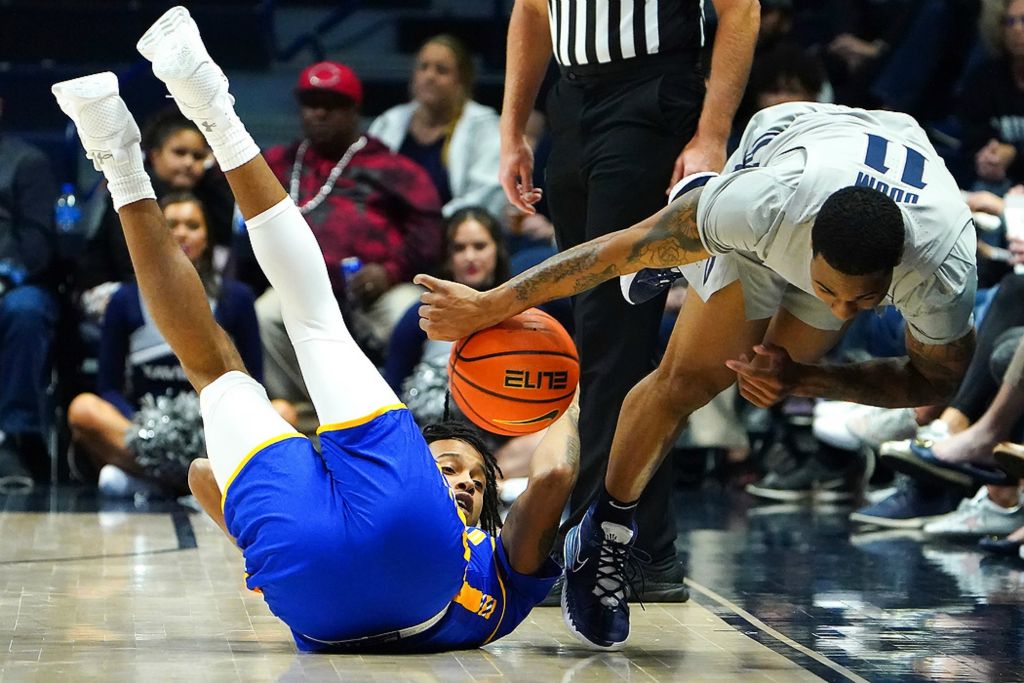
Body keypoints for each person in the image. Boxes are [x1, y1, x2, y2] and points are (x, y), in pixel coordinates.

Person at [52, 6, 577, 651]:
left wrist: (567, 390)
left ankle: (200, 108)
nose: (466, 481)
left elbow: (197, 475)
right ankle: (115, 149)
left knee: (309, 319)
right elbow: (204, 475)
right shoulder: (497, 574)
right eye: (455, 468)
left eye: (469, 478)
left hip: (402, 550)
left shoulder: (485, 546)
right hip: (319, 593)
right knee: (217, 373)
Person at [417, 101, 979, 649]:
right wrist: (491, 303)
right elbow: (611, 253)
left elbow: (936, 382)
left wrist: (806, 381)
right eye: (828, 290)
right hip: (782, 156)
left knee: (769, 372)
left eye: (864, 302)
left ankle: (696, 256)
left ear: (898, 273)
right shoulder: (762, 206)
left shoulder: (942, 267)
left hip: (866, 177)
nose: (841, 311)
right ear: (809, 246)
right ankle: (604, 536)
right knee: (691, 379)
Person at [498, 0, 760, 605]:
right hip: (572, 100)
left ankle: (610, 546)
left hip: (653, 93)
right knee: (601, 338)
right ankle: (644, 547)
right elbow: (533, 10)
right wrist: (514, 129)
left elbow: (741, 10)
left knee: (614, 335)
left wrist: (711, 135)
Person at [254, 59, 443, 411]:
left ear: (354, 110)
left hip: (374, 288)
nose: (319, 113)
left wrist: (389, 271)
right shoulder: (280, 162)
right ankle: (301, 414)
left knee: (411, 312)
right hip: (299, 290)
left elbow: (428, 231)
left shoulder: (388, 166)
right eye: (311, 104)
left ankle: (401, 410)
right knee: (266, 314)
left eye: (332, 105)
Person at [67, 192, 277, 496]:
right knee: (83, 409)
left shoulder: (237, 298)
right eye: (171, 225)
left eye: (193, 225)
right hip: (147, 430)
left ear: (208, 236)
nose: (181, 233)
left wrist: (221, 429)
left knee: (285, 412)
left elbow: (255, 382)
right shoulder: (125, 300)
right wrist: (149, 432)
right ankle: (199, 486)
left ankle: (150, 482)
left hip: (217, 435)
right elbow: (109, 388)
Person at [369, 34, 505, 219]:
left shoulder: (484, 127)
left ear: (462, 81)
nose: (429, 76)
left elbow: (485, 195)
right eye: (423, 67)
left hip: (455, 234)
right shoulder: (388, 122)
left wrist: (428, 225)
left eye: (441, 70)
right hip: (390, 232)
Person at [0, 96, 58, 491]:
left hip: (11, 285)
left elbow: (37, 242)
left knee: (26, 312)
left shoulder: (25, 162)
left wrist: (4, 277)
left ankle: (12, 438)